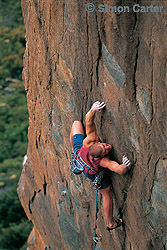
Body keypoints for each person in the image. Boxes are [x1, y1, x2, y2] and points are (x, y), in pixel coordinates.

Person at [70, 101, 130, 231]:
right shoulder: (102, 162)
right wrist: (125, 165)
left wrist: (93, 109)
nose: (108, 146)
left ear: (95, 143)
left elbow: (89, 121)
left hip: (79, 154)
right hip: (91, 172)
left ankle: (76, 153)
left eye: (104, 146)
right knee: (107, 194)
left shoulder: (90, 140)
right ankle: (110, 223)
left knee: (76, 124)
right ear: (100, 157)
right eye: (106, 150)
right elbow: (117, 169)